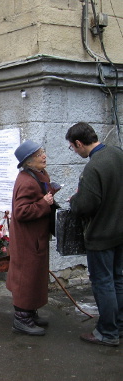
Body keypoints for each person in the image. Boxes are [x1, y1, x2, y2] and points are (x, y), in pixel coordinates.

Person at [66, 122, 123, 347]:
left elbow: (85, 206)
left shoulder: (94, 167)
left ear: (79, 143)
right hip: (120, 231)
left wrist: (75, 200)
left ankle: (107, 333)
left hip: (101, 235)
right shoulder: (118, 153)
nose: (75, 151)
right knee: (118, 279)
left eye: (73, 147)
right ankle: (118, 324)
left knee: (103, 283)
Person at [6, 140, 58, 336]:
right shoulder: (26, 181)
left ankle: (30, 313)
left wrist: (50, 192)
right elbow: (21, 212)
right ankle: (21, 319)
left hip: (37, 237)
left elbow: (41, 195)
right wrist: (45, 203)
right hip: (28, 240)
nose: (44, 156)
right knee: (26, 277)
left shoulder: (39, 175)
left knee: (35, 275)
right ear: (28, 161)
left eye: (42, 152)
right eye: (38, 155)